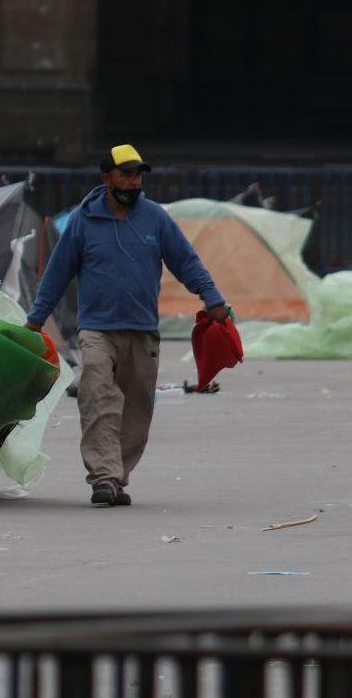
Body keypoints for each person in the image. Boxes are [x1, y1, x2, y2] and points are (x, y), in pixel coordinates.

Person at [23, 144, 230, 508]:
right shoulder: (83, 222)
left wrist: (212, 299)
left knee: (136, 409)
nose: (134, 182)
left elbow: (187, 262)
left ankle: (118, 475)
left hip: (142, 330)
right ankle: (103, 477)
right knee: (97, 396)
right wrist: (35, 320)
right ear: (107, 178)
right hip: (96, 330)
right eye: (126, 175)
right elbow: (56, 273)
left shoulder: (155, 219)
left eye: (137, 176)